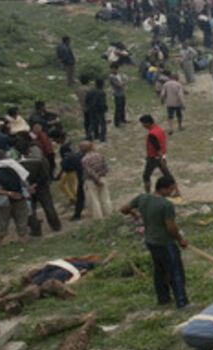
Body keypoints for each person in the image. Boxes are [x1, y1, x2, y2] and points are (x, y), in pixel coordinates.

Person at [120, 175, 189, 308]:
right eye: (172, 189)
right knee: (175, 272)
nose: (172, 192)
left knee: (159, 271)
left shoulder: (143, 198)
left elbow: (123, 209)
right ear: (166, 188)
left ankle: (163, 299)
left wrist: (133, 213)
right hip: (165, 243)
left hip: (151, 242)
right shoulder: (166, 205)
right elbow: (170, 226)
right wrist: (180, 240)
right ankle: (181, 302)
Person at [140, 114, 173, 192]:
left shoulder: (152, 134)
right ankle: (175, 190)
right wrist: (163, 158)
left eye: (143, 123)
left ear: (148, 123)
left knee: (146, 176)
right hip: (161, 155)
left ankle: (147, 193)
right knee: (167, 174)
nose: (143, 125)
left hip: (153, 158)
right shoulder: (158, 129)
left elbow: (157, 148)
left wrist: (161, 159)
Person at [80, 141, 113, 218]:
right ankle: (109, 214)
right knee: (105, 197)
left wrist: (97, 179)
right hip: (103, 178)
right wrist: (100, 176)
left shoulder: (84, 159)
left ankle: (98, 217)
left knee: (94, 200)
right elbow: (106, 167)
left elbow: (90, 172)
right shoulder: (99, 155)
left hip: (91, 181)